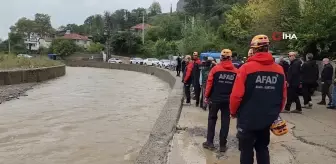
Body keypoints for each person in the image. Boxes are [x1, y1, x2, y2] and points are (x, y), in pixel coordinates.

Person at [230, 34, 287, 164]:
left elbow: (236, 95)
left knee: (246, 151)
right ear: (267, 48)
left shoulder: (245, 68)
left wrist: (233, 112)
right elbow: (283, 96)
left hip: (247, 118)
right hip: (267, 118)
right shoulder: (279, 70)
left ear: (254, 49)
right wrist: (275, 113)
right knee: (262, 148)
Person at [203, 49, 238, 152]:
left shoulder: (215, 69)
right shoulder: (236, 71)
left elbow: (209, 84)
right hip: (228, 101)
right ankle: (222, 145)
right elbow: (237, 88)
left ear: (221, 58)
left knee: (212, 120)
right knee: (225, 122)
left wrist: (206, 96)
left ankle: (209, 142)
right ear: (231, 58)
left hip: (215, 99)